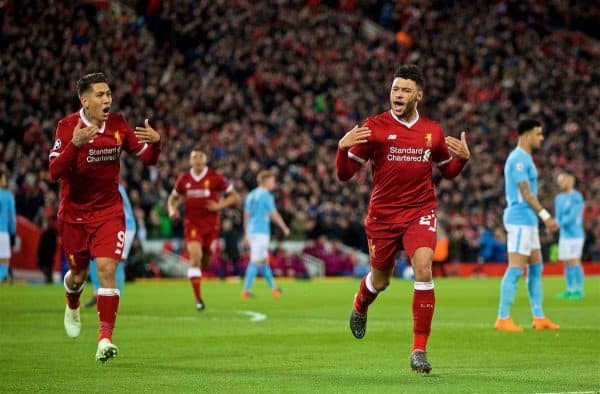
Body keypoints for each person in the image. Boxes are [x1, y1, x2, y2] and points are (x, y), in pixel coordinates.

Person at [336, 64, 471, 373]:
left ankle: (418, 351)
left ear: (418, 96)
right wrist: (342, 150)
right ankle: (360, 302)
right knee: (380, 280)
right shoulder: (375, 127)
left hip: (420, 211)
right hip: (382, 217)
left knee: (424, 268)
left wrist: (462, 160)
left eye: (405, 90)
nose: (398, 94)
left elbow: (448, 172)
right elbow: (344, 175)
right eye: (395, 89)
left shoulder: (432, 131)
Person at [48, 72, 161, 362]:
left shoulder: (119, 124)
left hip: (110, 212)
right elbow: (54, 173)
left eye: (108, 93)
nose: (107, 99)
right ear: (84, 101)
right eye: (100, 95)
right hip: (74, 216)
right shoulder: (67, 127)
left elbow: (147, 158)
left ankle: (104, 340)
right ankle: (72, 299)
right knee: (79, 275)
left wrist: (156, 143)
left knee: (108, 269)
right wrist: (74, 143)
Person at [495, 119, 560, 332]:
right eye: (538, 134)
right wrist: (545, 215)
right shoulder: (518, 160)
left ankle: (539, 316)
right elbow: (525, 192)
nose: (541, 138)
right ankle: (503, 318)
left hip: (528, 221)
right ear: (526, 135)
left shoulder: (527, 159)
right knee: (515, 268)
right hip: (520, 219)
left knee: (536, 267)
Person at [168, 147, 240, 311]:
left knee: (206, 260)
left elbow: (235, 196)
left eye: (201, 157)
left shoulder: (215, 177)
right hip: (192, 224)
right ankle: (198, 299)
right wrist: (172, 210)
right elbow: (172, 199)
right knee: (195, 258)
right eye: (195, 157)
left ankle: (197, 274)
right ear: (190, 161)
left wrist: (219, 205)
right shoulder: (184, 179)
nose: (198, 160)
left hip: (211, 226)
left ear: (205, 160)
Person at [85, 184, 137, 306]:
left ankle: (114, 297)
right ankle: (97, 291)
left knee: (116, 262)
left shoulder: (115, 185)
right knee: (94, 258)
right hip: (106, 226)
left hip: (125, 227)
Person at [241, 170, 290, 299]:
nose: (273, 184)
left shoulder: (250, 195)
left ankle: (274, 289)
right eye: (272, 181)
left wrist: (246, 233)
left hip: (252, 231)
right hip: (261, 231)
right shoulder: (266, 196)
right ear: (266, 182)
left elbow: (246, 215)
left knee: (263, 261)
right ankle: (246, 291)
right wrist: (284, 227)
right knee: (256, 260)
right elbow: (273, 214)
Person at [554, 172, 585, 299]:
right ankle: (570, 289)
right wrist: (556, 223)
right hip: (564, 234)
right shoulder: (559, 198)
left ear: (570, 181)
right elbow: (557, 215)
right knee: (567, 262)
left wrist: (558, 224)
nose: (559, 183)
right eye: (558, 181)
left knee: (574, 260)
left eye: (562, 180)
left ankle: (579, 289)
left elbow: (573, 215)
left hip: (575, 234)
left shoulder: (577, 197)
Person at [0, 170, 17, 283]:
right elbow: (11, 216)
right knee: (4, 260)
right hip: (3, 231)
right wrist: (13, 232)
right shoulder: (7, 195)